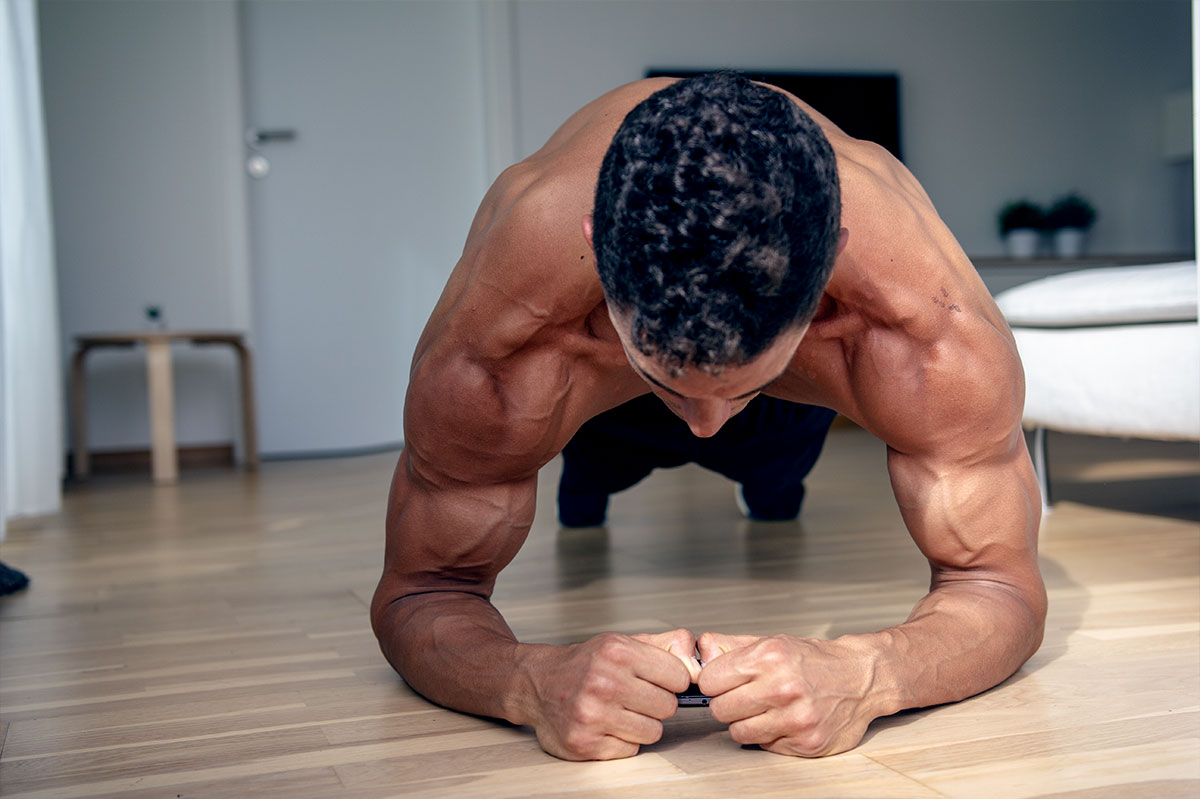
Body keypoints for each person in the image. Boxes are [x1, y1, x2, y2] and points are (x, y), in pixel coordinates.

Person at [371, 73, 1046, 761]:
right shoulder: (501, 351)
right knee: (584, 488)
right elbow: (420, 594)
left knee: (775, 489)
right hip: (604, 410)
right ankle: (652, 417)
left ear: (828, 272)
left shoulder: (930, 336)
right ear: (595, 249)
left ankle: (730, 394)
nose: (705, 423)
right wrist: (528, 683)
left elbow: (1000, 587)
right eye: (673, 385)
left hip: (791, 407)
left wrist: (870, 675)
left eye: (742, 384)